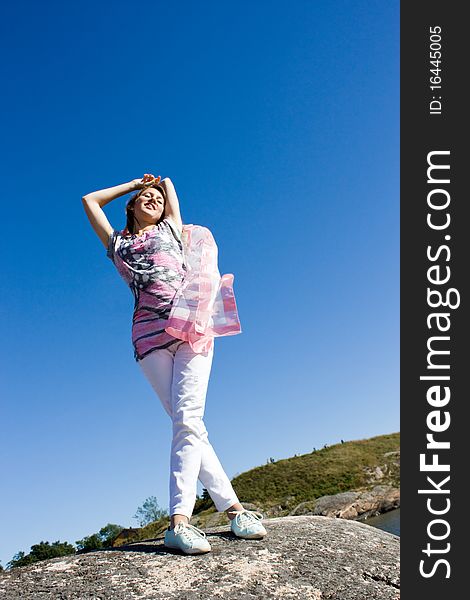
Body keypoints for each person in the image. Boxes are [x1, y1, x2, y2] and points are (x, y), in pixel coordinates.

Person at [82, 174, 267, 554]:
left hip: (191, 328)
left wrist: (160, 184)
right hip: (148, 340)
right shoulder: (118, 243)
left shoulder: (172, 228)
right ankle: (235, 513)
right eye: (144, 198)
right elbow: (89, 201)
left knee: (188, 421)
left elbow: (169, 185)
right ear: (131, 207)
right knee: (189, 425)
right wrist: (134, 185)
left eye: (157, 198)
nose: (153, 200)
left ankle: (179, 522)